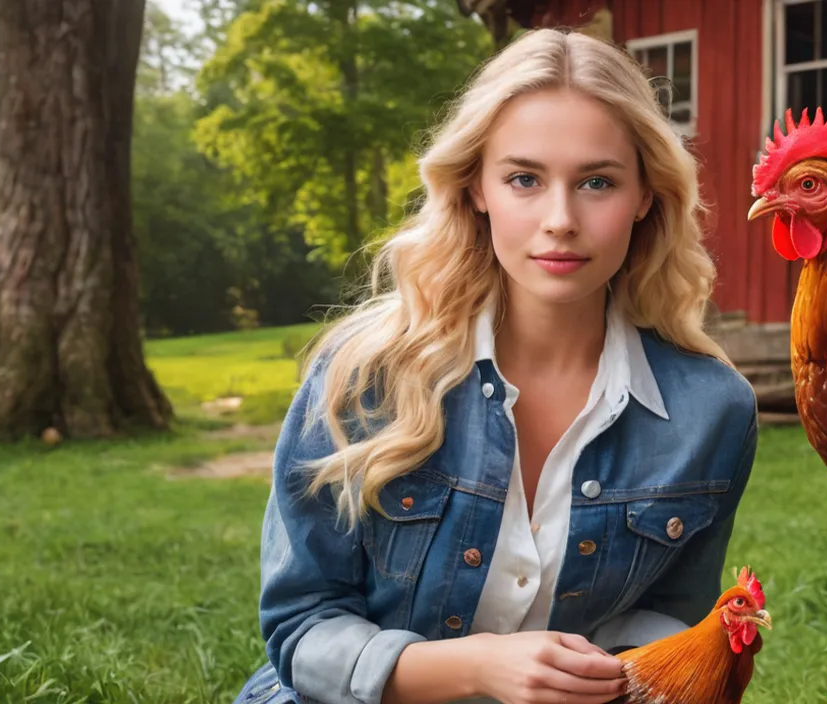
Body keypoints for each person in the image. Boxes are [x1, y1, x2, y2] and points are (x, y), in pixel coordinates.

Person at [233, 26, 759, 704]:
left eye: (597, 181)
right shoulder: (364, 377)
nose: (560, 219)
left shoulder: (710, 412)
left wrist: (632, 673)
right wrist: (478, 667)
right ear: (476, 187)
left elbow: (670, 622)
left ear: (646, 197)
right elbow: (302, 630)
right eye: (524, 179)